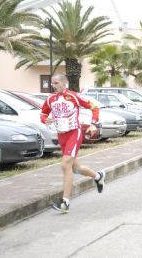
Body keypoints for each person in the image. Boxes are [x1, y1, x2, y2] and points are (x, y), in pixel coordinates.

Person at [40, 74, 105, 213]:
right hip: (61, 136)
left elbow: (94, 107)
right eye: (52, 83)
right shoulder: (50, 98)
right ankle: (98, 176)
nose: (53, 85)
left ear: (64, 83)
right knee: (76, 168)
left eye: (56, 83)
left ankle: (65, 202)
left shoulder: (74, 96)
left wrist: (93, 123)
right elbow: (43, 113)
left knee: (65, 165)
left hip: (74, 134)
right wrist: (45, 119)